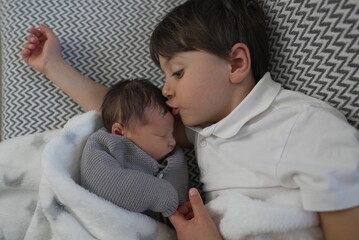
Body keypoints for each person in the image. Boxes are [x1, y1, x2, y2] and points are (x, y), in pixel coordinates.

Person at [22, 0, 359, 239]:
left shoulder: (306, 127)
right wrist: (53, 66)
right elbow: (126, 116)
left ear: (236, 63)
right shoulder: (206, 129)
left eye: (177, 73)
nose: (165, 91)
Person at [80, 79, 188, 221]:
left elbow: (178, 196)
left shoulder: (172, 157)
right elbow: (105, 184)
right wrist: (165, 198)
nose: (172, 142)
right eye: (161, 135)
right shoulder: (103, 145)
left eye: (172, 133)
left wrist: (180, 212)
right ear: (119, 132)